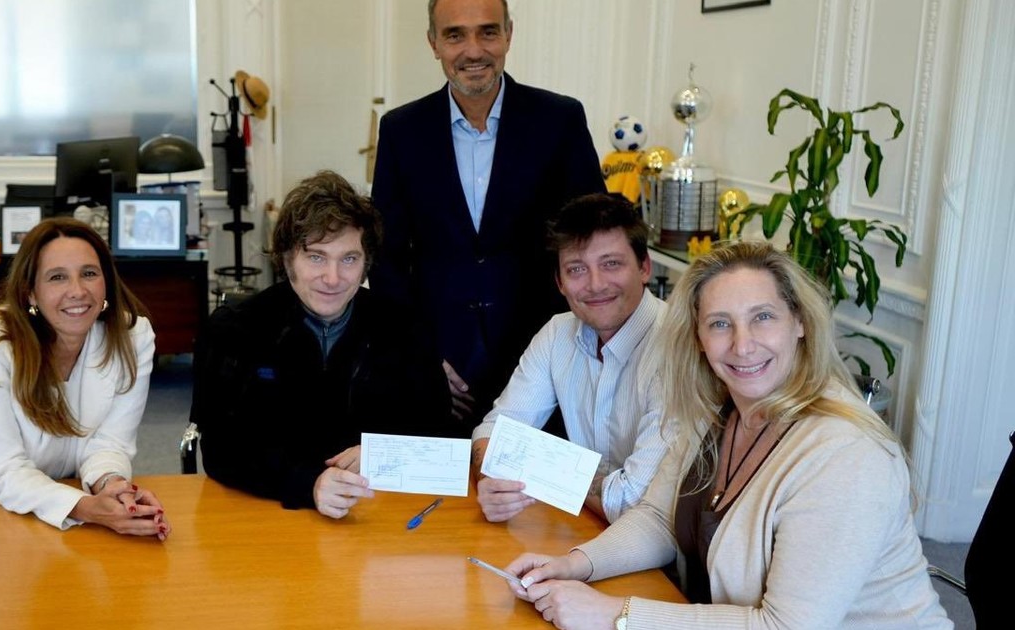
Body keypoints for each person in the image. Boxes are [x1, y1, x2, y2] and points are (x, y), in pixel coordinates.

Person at [503, 242, 951, 629]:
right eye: (720, 323)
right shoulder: (715, 408)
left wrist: (615, 614)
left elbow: (786, 626)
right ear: (698, 336)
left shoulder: (846, 455)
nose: (742, 344)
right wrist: (574, 564)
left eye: (763, 317)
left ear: (799, 322)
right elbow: (659, 518)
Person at [370, 0, 605, 427]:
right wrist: (418, 356)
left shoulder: (560, 120)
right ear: (433, 43)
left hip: (545, 368)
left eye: (488, 31)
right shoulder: (401, 130)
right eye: (455, 35)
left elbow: (594, 239)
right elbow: (386, 258)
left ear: (509, 35)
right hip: (437, 375)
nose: (474, 50)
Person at [191, 170, 454, 519]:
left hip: (376, 514)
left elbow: (439, 438)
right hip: (271, 511)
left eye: (349, 259)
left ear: (366, 264)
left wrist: (383, 455)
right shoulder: (235, 330)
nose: (332, 278)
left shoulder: (405, 330)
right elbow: (221, 449)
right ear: (287, 259)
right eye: (316, 257)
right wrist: (308, 483)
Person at [0, 218, 170, 540]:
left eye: (89, 273)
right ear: (30, 292)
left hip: (44, 501)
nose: (78, 291)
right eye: (57, 277)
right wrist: (85, 507)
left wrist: (113, 487)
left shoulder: (132, 337)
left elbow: (110, 444)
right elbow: (3, 468)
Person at [471, 193, 671, 525]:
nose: (595, 284)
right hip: (584, 529)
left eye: (611, 264)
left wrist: (529, 464)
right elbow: (493, 430)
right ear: (560, 282)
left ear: (644, 268)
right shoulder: (557, 333)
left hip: (662, 550)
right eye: (576, 269)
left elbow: (631, 501)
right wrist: (491, 479)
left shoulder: (676, 349)